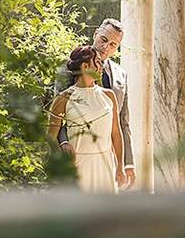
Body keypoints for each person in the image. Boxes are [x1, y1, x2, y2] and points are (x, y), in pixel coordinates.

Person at [57, 18, 137, 188]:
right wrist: (63, 143)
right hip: (77, 156)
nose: (106, 47)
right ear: (95, 35)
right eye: (104, 39)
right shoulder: (68, 69)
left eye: (113, 45)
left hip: (108, 160)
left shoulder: (121, 74)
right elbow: (55, 116)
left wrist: (127, 163)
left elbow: (123, 122)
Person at [48, 45, 126, 193]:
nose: (101, 65)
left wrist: (120, 167)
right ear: (85, 66)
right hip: (77, 167)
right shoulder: (64, 98)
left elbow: (116, 133)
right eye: (96, 62)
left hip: (106, 166)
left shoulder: (109, 96)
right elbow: (50, 136)